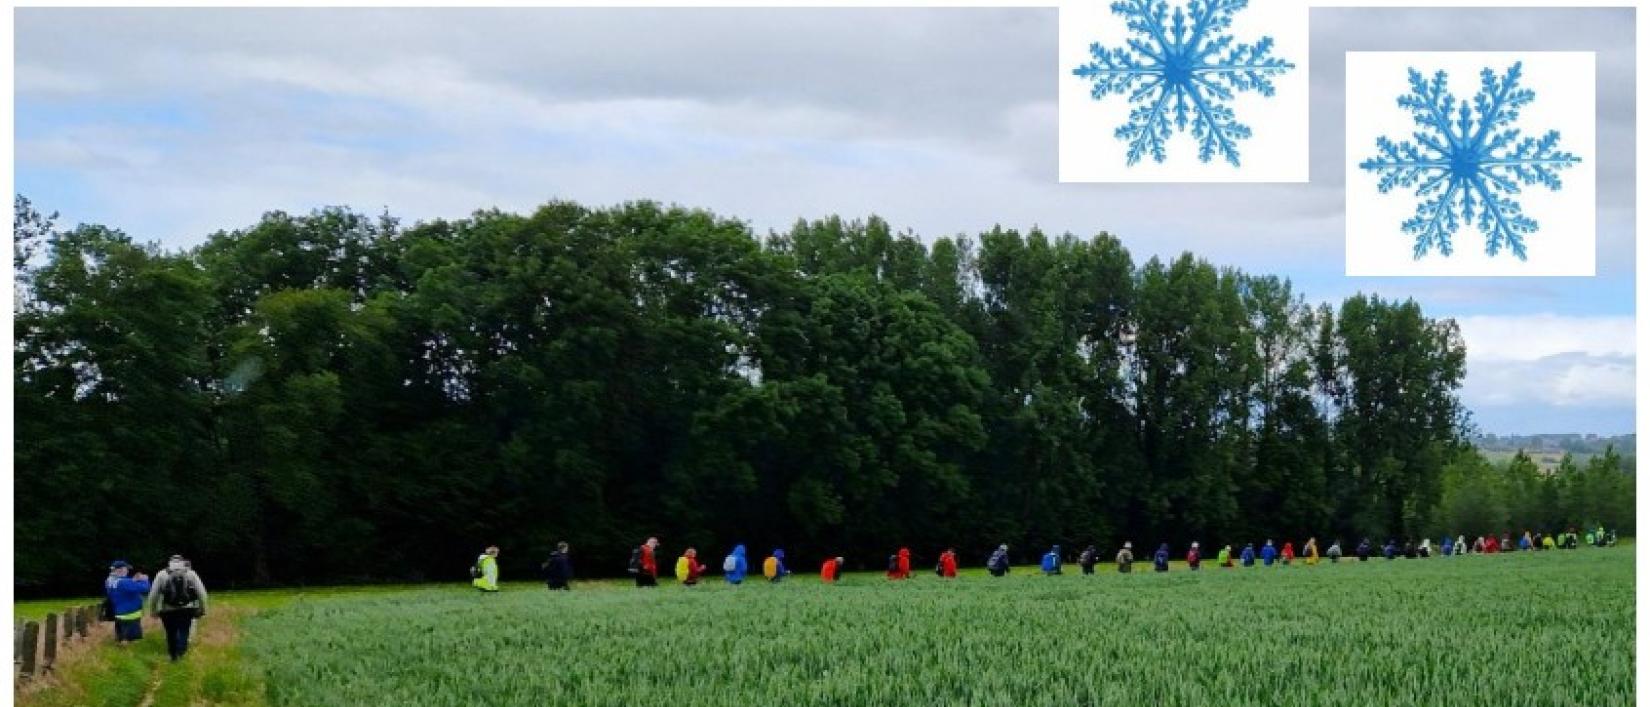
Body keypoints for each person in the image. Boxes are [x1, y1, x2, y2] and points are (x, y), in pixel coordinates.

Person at [146, 555, 207, 662]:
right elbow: (202, 594)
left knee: (170, 632)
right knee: (184, 631)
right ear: (182, 562)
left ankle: (173, 655)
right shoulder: (190, 573)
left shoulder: (161, 574)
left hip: (168, 610)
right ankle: (181, 653)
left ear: (169, 563)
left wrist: (153, 611)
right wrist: (202, 609)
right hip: (186, 609)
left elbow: (153, 595)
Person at [104, 561, 150, 645]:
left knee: (121, 637)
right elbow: (145, 588)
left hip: (119, 613)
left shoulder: (109, 581)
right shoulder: (123, 582)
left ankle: (121, 651)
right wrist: (145, 580)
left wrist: (133, 580)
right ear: (120, 570)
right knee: (130, 641)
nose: (127, 571)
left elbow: (125, 589)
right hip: (130, 614)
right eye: (126, 569)